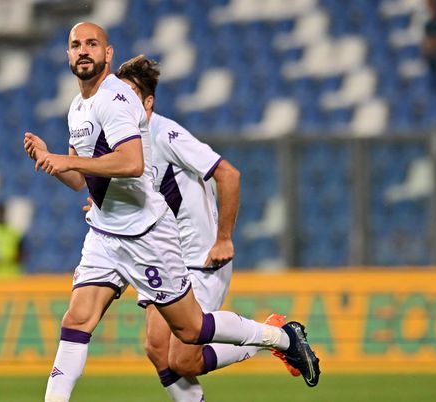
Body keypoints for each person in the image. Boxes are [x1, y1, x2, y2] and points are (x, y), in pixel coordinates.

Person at [23, 22, 320, 402]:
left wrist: (62, 160)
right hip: (105, 234)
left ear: (108, 54)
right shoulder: (78, 108)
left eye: (92, 44)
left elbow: (131, 163)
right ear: (67, 54)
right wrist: (52, 161)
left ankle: (280, 337)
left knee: (191, 333)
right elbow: (81, 179)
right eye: (75, 44)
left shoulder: (116, 99)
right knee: (79, 321)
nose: (83, 50)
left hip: (147, 234)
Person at [100, 55, 299, 399]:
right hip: (163, 258)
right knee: (156, 349)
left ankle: (270, 334)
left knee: (184, 359)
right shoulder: (123, 144)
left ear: (148, 103)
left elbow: (229, 174)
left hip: (200, 258)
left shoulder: (165, 133)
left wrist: (223, 239)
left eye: (132, 95)